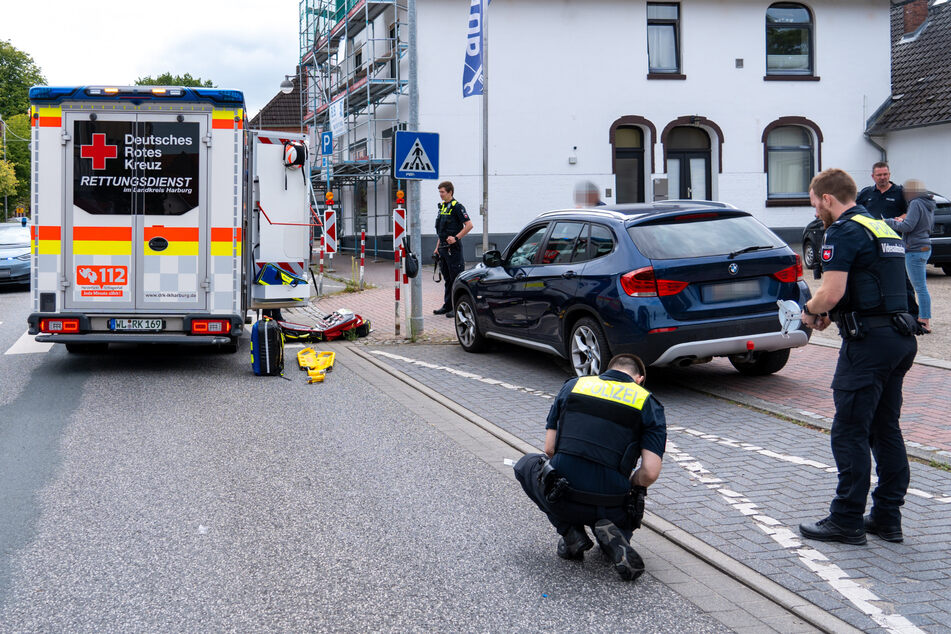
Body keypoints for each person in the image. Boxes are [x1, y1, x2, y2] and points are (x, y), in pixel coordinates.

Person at [798, 168, 920, 546]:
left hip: (868, 345)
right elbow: (881, 285)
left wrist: (810, 311)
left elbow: (830, 292)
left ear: (828, 199)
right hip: (899, 338)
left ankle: (846, 519)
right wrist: (833, 313)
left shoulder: (843, 230)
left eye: (815, 203)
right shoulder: (882, 227)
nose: (816, 211)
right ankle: (886, 517)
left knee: (849, 430)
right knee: (885, 429)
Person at [514, 354, 666, 581]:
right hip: (612, 505)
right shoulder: (648, 403)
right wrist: (631, 484)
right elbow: (650, 472)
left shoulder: (573, 386)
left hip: (564, 497)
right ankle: (613, 539)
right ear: (639, 379)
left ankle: (570, 532)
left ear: (607, 370)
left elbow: (549, 449)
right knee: (628, 494)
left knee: (526, 465)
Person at [885, 179, 934, 333]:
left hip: (914, 249)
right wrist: (902, 220)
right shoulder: (928, 203)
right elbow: (919, 224)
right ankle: (923, 318)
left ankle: (924, 321)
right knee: (921, 286)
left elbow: (908, 227)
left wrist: (889, 222)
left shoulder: (915, 203)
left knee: (920, 288)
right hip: (925, 246)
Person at [432, 181, 473, 317]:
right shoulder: (443, 207)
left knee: (456, 279)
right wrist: (437, 248)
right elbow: (442, 231)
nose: (440, 195)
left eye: (442, 192)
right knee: (448, 279)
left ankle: (457, 308)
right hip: (443, 249)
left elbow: (469, 225)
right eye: (439, 192)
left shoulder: (457, 207)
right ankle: (447, 305)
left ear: (450, 192)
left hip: (453, 249)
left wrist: (456, 237)